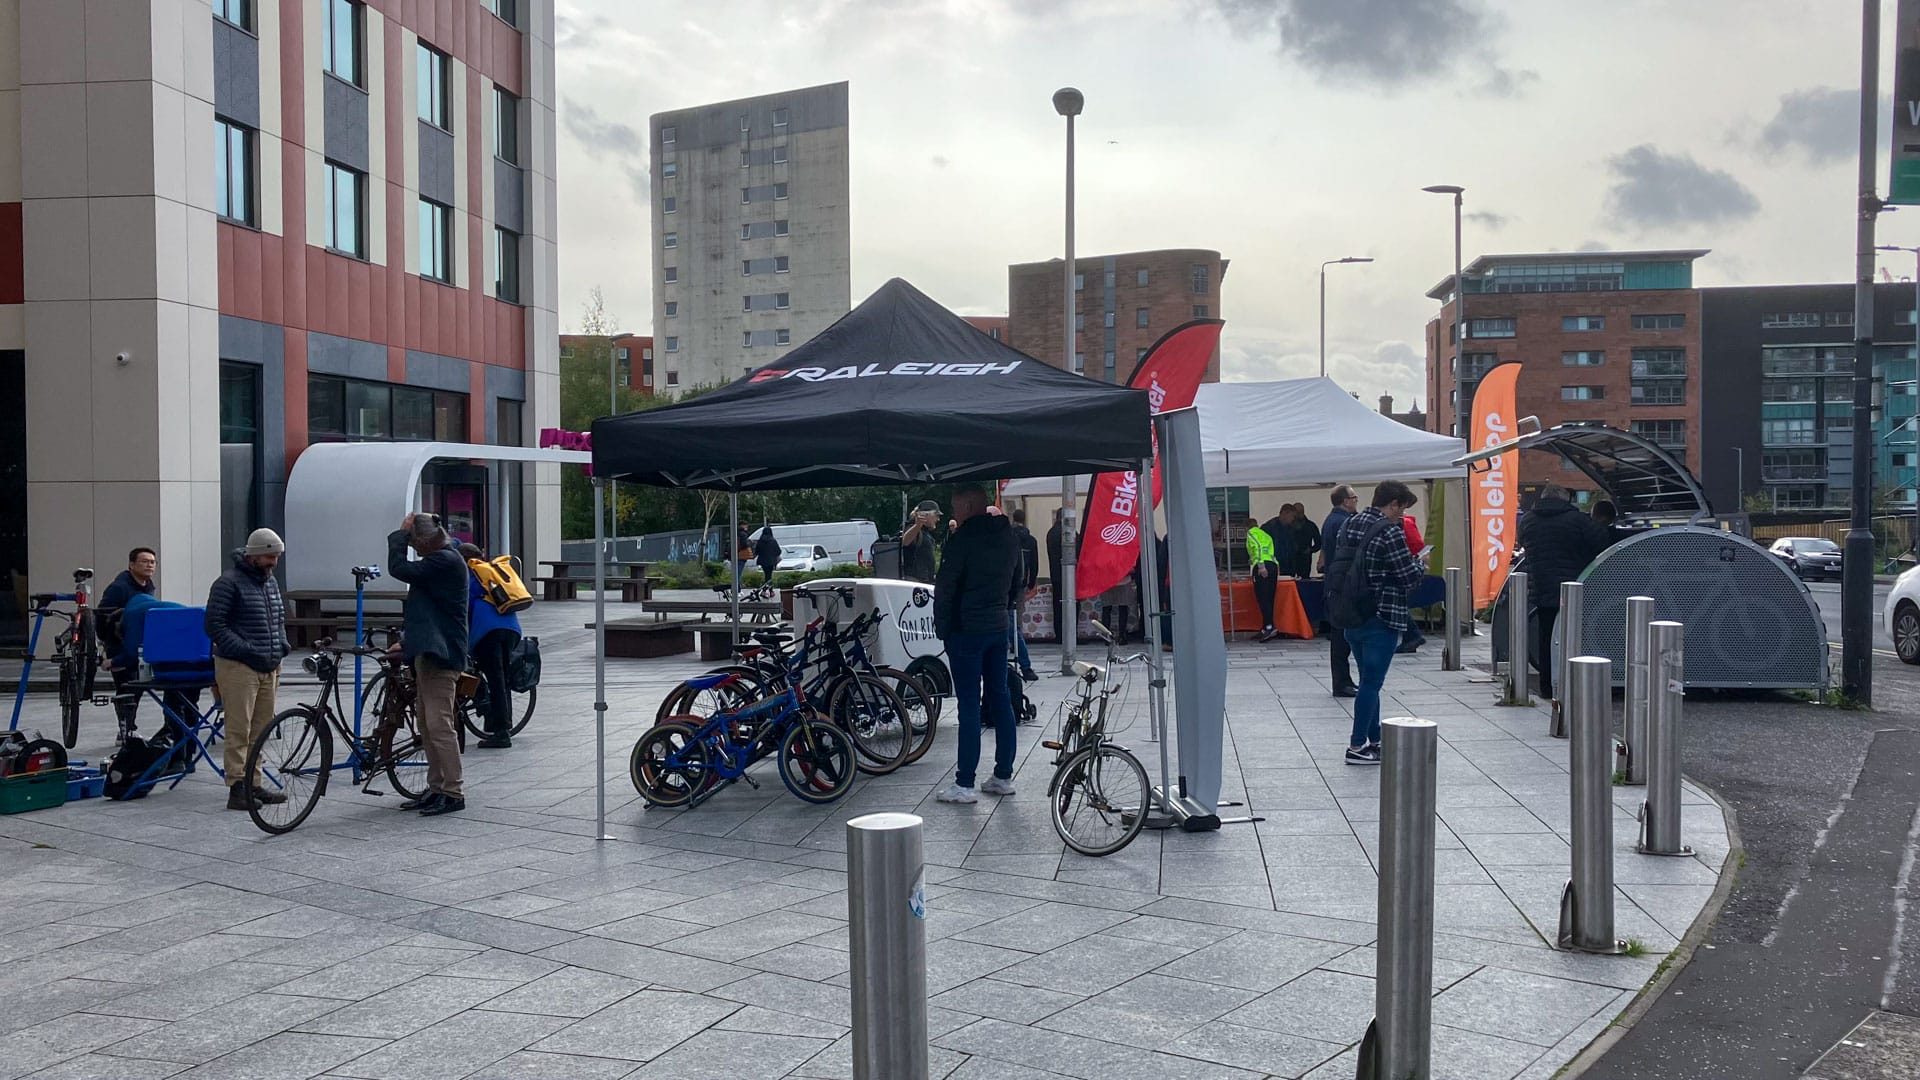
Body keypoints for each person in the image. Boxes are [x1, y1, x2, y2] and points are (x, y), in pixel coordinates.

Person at [933, 485, 1023, 805]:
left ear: (969, 505)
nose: (954, 514)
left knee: (969, 704)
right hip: (997, 626)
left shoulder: (963, 540)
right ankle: (1003, 775)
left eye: (956, 507)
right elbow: (1018, 580)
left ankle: (965, 783)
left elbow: (945, 588)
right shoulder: (1008, 537)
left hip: (966, 630)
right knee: (1000, 697)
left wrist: (944, 628)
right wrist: (1003, 607)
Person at [1334, 482, 1426, 765]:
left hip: (1352, 614)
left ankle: (1375, 741)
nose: (1402, 516)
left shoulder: (1349, 524)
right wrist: (1421, 563)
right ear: (1393, 503)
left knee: (1366, 682)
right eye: (1402, 509)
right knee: (1371, 683)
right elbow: (1408, 577)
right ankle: (1357, 745)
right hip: (1382, 615)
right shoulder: (1389, 530)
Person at [388, 513, 470, 815]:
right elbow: (428, 610)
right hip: (428, 650)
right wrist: (409, 641)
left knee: (439, 725)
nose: (414, 548)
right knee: (427, 724)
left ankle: (453, 791)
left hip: (442, 654)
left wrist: (400, 534)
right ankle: (436, 788)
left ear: (423, 540)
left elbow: (398, 568)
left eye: (414, 542)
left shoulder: (445, 561)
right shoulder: (439, 561)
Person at [204, 529, 290, 811]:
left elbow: (278, 616)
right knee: (239, 729)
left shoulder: (270, 581)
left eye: (276, 556)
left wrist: (281, 647)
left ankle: (254, 784)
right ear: (253, 554)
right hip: (237, 666)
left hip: (268, 664)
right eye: (269, 556)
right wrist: (246, 650)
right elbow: (214, 625)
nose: (273, 562)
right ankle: (237, 787)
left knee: (261, 729)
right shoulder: (227, 583)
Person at [1517, 484, 1611, 701]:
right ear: (1565, 499)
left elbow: (1524, 543)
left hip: (1541, 587)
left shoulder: (1529, 520)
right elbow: (1601, 541)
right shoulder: (1576, 520)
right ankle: (1574, 682)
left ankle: (1547, 685)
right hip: (1573, 588)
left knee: (1547, 637)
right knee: (1576, 635)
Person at [460, 543, 522, 750]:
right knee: (501, 679)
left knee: (494, 679)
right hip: (511, 629)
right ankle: (504, 724)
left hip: (488, 633)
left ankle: (501, 733)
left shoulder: (473, 576)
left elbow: (464, 607)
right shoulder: (493, 573)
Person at [99, 546, 158, 742]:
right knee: (126, 687)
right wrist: (108, 644)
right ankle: (126, 731)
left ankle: (128, 729)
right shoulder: (119, 587)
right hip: (119, 644)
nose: (150, 565)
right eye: (145, 561)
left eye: (152, 562)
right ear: (131, 565)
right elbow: (102, 616)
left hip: (140, 644)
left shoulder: (148, 585)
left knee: (138, 686)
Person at [1321, 485, 1361, 697]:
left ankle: (1344, 681)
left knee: (1340, 638)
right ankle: (1342, 683)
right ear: (1345, 501)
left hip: (1334, 584)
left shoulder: (1331, 520)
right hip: (1341, 585)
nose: (1356, 501)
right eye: (1354, 498)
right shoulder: (1343, 522)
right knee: (1340, 639)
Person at [1009, 509, 1039, 681]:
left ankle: (1013, 646)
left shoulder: (1007, 537)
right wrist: (1031, 581)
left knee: (1008, 623)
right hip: (1019, 584)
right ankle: (1018, 647)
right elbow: (1034, 563)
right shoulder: (1030, 540)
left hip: (1004, 586)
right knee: (1016, 621)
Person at [1396, 513, 1430, 655]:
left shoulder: (1406, 524)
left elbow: (1418, 547)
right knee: (1400, 603)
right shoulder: (1406, 523)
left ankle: (1412, 636)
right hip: (1408, 566)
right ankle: (1412, 636)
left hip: (1406, 567)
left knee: (1399, 603)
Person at [1245, 514, 1281, 642]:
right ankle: (1267, 627)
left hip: (1263, 567)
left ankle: (1268, 626)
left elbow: (1258, 548)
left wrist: (1260, 565)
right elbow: (1269, 551)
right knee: (1270, 598)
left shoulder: (1251, 533)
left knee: (1262, 598)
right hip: (1272, 566)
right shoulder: (1266, 535)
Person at [1045, 509, 1073, 643]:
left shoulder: (1051, 533)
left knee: (1057, 605)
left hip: (1055, 574)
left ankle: (1059, 634)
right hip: (1068, 575)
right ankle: (1070, 634)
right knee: (1071, 604)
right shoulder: (1068, 532)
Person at [900, 501, 940, 585]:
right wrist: (917, 525)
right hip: (915, 583)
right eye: (936, 515)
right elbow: (905, 541)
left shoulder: (925, 533)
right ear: (926, 516)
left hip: (923, 582)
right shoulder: (914, 529)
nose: (938, 519)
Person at [1289, 507, 1322, 580]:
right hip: (1290, 558)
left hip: (1305, 559)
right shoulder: (1288, 525)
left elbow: (1319, 543)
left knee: (1304, 580)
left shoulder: (1310, 525)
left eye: (1299, 512)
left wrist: (1310, 550)